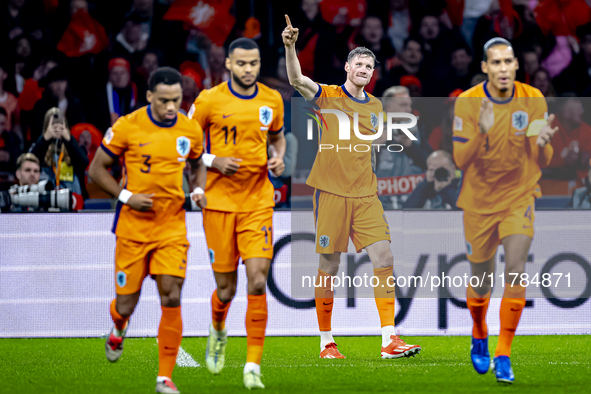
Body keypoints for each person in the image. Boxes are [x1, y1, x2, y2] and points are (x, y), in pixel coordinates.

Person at [283, 15, 421, 360]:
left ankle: (389, 338)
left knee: (385, 256)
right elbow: (296, 79)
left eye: (370, 66)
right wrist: (290, 46)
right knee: (329, 266)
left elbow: (371, 146)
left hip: (365, 195)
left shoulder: (375, 106)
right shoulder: (327, 96)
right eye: (359, 63)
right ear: (347, 67)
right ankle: (326, 342)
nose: (364, 69)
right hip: (330, 193)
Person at [88, 67, 207, 394]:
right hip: (133, 229)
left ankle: (164, 377)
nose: (172, 107)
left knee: (171, 294)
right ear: (150, 96)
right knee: (126, 304)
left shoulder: (190, 129)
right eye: (165, 101)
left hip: (171, 226)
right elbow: (96, 169)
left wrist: (197, 190)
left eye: (177, 100)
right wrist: (126, 196)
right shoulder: (127, 125)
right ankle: (118, 327)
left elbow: (197, 164)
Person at [453, 37, 557, 384]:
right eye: (495, 63)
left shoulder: (533, 99)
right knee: (481, 282)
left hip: (519, 196)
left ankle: (503, 354)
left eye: (507, 62)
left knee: (515, 270)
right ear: (484, 67)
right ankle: (479, 331)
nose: (502, 69)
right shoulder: (468, 104)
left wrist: (543, 145)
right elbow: (459, 160)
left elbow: (542, 158)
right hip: (479, 203)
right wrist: (481, 133)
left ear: (516, 65)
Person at [189, 38, 285, 390]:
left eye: (254, 63)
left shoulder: (272, 99)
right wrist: (214, 161)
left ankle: (252, 366)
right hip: (218, 202)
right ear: (228, 63)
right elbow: (184, 144)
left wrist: (279, 156)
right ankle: (217, 329)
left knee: (258, 280)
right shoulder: (208, 100)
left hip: (258, 200)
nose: (249, 69)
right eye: (242, 63)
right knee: (226, 290)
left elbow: (277, 138)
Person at [29, 108, 88, 199]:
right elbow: (30, 165)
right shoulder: (38, 147)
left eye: (60, 125)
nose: (57, 129)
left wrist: (69, 140)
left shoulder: (73, 148)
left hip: (72, 200)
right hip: (46, 199)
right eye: (53, 125)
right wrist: (45, 139)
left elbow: (83, 163)